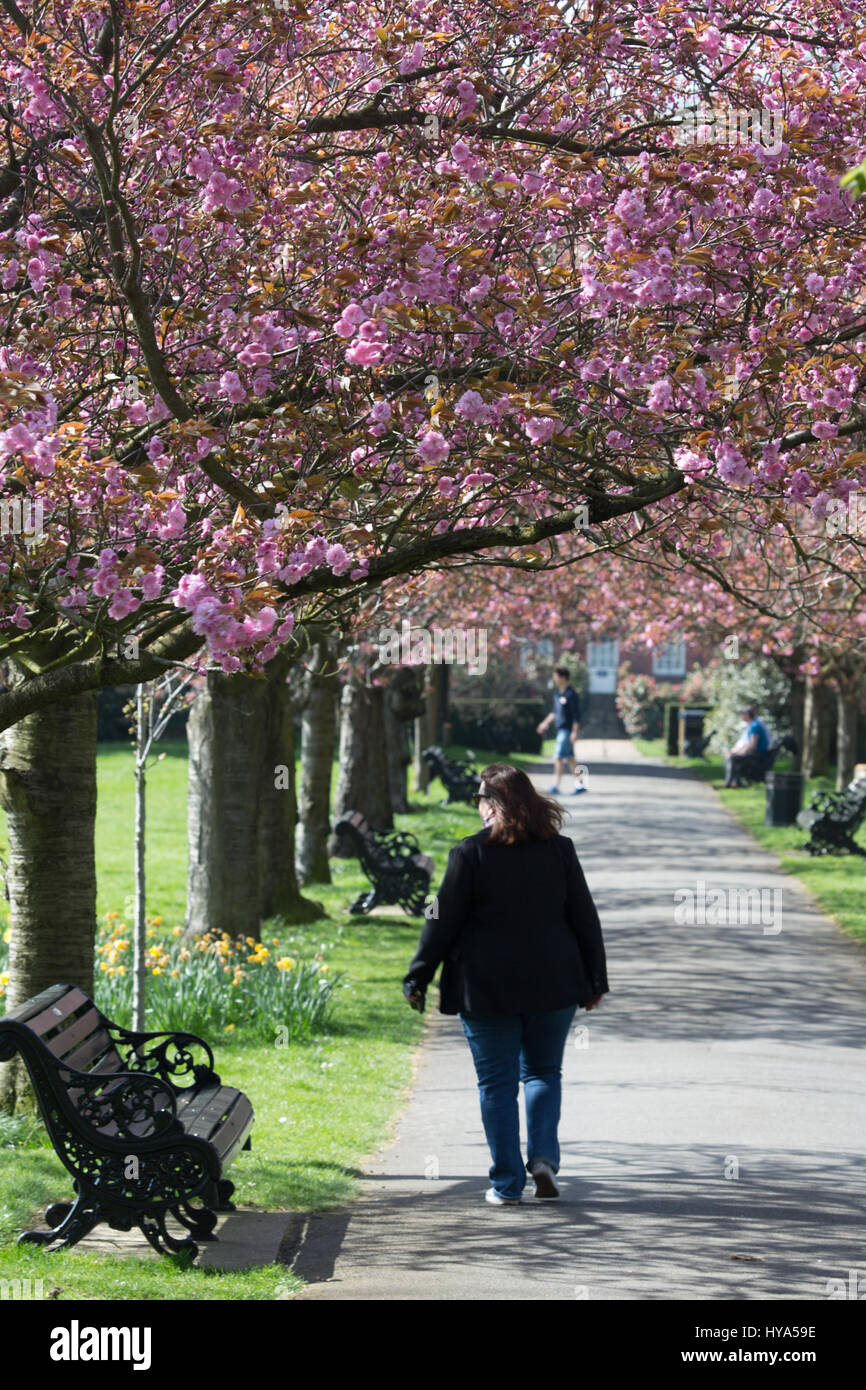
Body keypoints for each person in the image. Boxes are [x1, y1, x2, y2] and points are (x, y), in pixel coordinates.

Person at [402, 764, 608, 1205]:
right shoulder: (559, 850)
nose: (478, 809)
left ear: (493, 805)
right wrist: (595, 979)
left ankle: (506, 1184)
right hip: (554, 983)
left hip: (486, 988)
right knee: (543, 1072)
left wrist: (418, 974)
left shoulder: (468, 855)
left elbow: (440, 921)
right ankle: (544, 1162)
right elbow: (585, 918)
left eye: (481, 800)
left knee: (496, 1085)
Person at [536, 667, 586, 795]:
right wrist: (544, 723)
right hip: (560, 729)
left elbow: (576, 715)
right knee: (570, 758)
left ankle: (556, 786)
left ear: (563, 678)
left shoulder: (571, 695)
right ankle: (580, 785)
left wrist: (575, 732)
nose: (554, 679)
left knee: (558, 757)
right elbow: (555, 712)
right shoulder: (557, 694)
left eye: (556, 676)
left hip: (567, 730)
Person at [724, 704, 770, 787]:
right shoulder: (753, 724)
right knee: (732, 756)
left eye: (742, 714)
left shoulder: (755, 726)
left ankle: (730, 783)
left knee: (733, 758)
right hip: (756, 753)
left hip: (758, 754)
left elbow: (752, 745)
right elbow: (746, 744)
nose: (741, 715)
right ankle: (735, 782)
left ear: (748, 715)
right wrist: (736, 751)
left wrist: (738, 753)